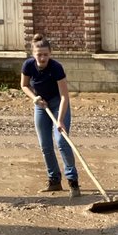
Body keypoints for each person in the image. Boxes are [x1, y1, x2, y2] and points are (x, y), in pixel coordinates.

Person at [20, 34, 80, 198]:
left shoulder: (56, 68)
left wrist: (60, 120)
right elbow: (24, 85)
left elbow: (64, 97)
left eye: (46, 54)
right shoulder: (28, 66)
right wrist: (35, 98)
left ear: (50, 54)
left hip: (57, 104)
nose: (43, 57)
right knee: (45, 145)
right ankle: (54, 180)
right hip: (40, 105)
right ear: (33, 54)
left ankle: (73, 181)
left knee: (62, 141)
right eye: (39, 54)